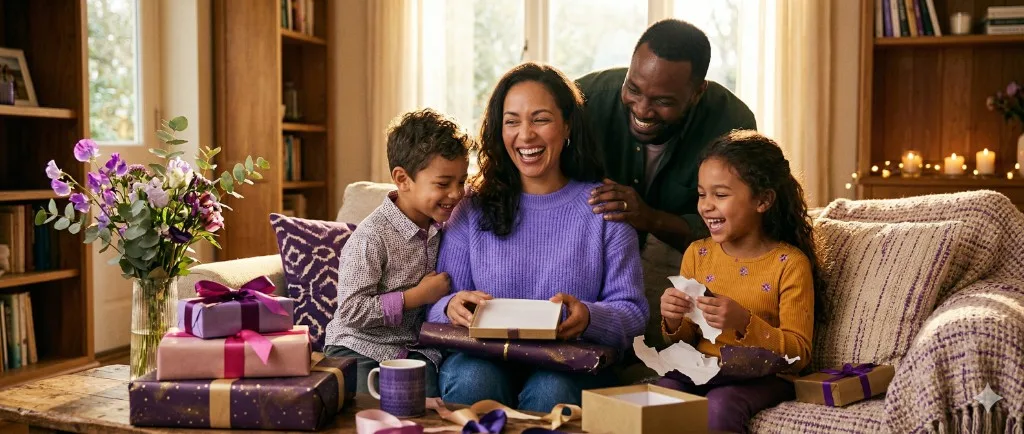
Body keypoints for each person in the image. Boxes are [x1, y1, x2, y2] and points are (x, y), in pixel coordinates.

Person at [425, 62, 648, 412]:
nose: (525, 135)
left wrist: (589, 317)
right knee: (473, 381)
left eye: (540, 119)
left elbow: (634, 314)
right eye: (512, 121)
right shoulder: (470, 206)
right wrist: (450, 306)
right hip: (482, 359)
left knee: (551, 390)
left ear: (567, 125)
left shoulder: (605, 209)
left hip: (570, 365)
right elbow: (436, 302)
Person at [576, 18, 757, 346]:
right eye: (633, 89)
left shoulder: (732, 123)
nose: (642, 109)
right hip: (592, 249)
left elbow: (737, 229)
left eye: (663, 101)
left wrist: (650, 218)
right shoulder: (584, 99)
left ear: (697, 91)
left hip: (683, 254)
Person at [657, 130, 821, 433]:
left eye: (720, 195)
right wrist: (672, 320)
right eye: (701, 193)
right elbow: (684, 340)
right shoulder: (697, 254)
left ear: (763, 200)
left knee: (722, 403)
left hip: (766, 377)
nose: (706, 205)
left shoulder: (790, 264)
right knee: (660, 393)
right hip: (703, 368)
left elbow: (799, 355)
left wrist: (744, 321)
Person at [323, 108, 473, 398]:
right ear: (402, 179)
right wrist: (415, 297)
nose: (457, 194)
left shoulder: (444, 223)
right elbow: (351, 310)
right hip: (358, 346)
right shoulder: (371, 237)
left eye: (461, 181)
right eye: (443, 184)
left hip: (414, 351)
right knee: (375, 406)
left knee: (427, 402)